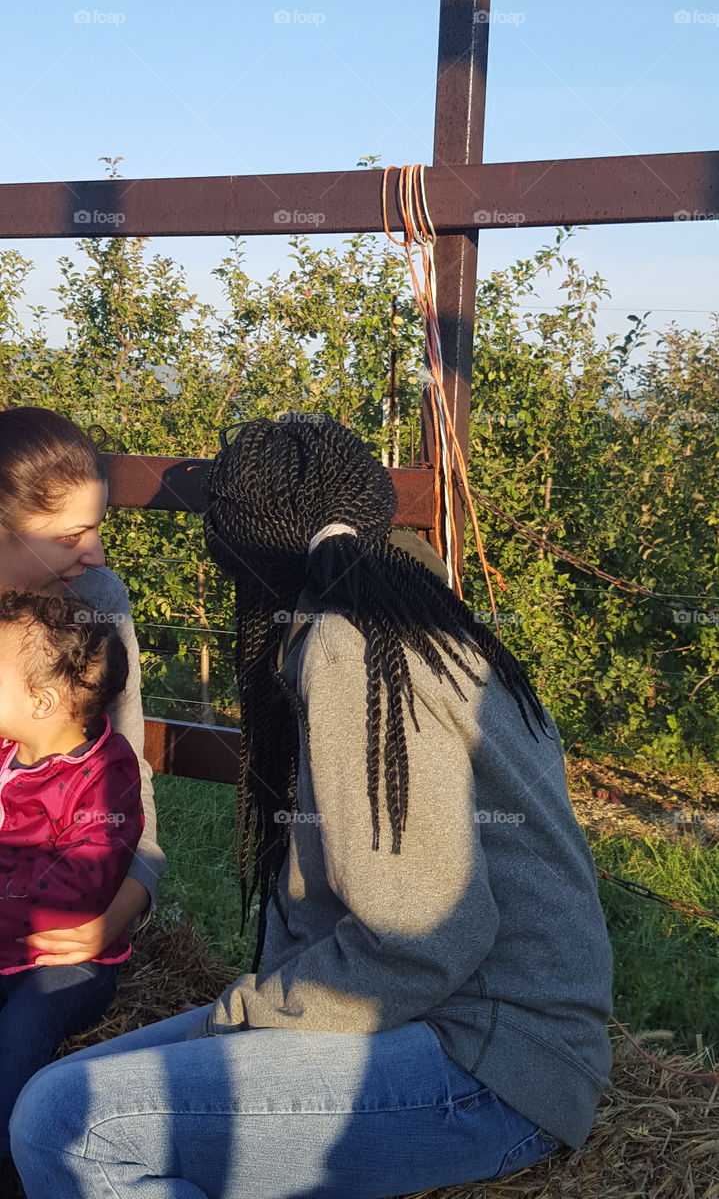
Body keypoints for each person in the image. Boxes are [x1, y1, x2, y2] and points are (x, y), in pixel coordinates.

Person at [10, 415, 614, 1199]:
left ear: (250, 549)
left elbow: (425, 941)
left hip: (483, 1059)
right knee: (61, 1096)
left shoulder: (347, 646)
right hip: (427, 1015)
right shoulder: (405, 598)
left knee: (69, 1122)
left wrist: (250, 1016)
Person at [0, 407, 166, 959]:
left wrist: (114, 915)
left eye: (96, 528)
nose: (96, 554)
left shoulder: (98, 603)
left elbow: (126, 776)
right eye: (73, 534)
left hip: (46, 926)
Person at [0, 588, 144, 1159]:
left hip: (64, 961)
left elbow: (78, 887)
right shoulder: (8, 751)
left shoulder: (104, 777)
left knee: (21, 1033)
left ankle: (11, 1160)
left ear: (41, 701)